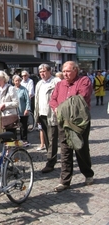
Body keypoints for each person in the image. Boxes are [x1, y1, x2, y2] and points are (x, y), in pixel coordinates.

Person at [49, 61, 94, 192]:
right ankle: (65, 181)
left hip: (78, 121)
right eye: (63, 71)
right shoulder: (59, 84)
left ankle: (88, 174)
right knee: (65, 150)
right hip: (63, 122)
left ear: (76, 70)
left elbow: (80, 98)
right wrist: (56, 108)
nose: (65, 74)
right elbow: (53, 99)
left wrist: (61, 108)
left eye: (68, 71)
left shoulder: (83, 81)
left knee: (81, 148)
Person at [34, 63, 60, 173]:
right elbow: (36, 100)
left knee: (52, 138)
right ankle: (52, 157)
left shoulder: (56, 82)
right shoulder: (39, 83)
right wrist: (37, 115)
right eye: (40, 72)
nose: (42, 74)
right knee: (46, 139)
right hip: (42, 114)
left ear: (49, 71)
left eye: (44, 71)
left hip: (52, 115)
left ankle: (50, 162)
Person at [0, 70, 19, 138]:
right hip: (0, 116)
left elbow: (16, 103)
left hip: (9, 117)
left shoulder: (11, 88)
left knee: (10, 138)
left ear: (4, 79)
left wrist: (5, 105)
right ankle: (5, 149)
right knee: (2, 138)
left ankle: (11, 149)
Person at [13, 75, 31, 146]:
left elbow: (28, 100)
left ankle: (24, 140)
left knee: (23, 127)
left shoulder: (24, 89)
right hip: (14, 112)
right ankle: (15, 141)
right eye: (16, 81)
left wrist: (27, 109)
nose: (17, 82)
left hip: (22, 110)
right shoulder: (12, 89)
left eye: (19, 80)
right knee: (14, 127)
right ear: (13, 81)